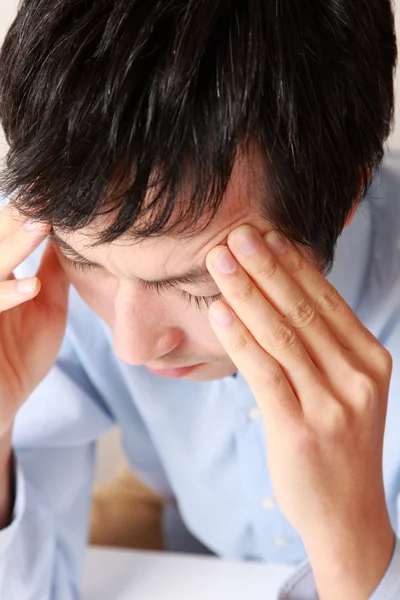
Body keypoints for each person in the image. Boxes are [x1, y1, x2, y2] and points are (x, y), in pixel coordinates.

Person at [0, 0, 398, 598]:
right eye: (86, 260)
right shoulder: (45, 265)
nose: (132, 347)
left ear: (342, 206)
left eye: (198, 287)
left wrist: (354, 547)